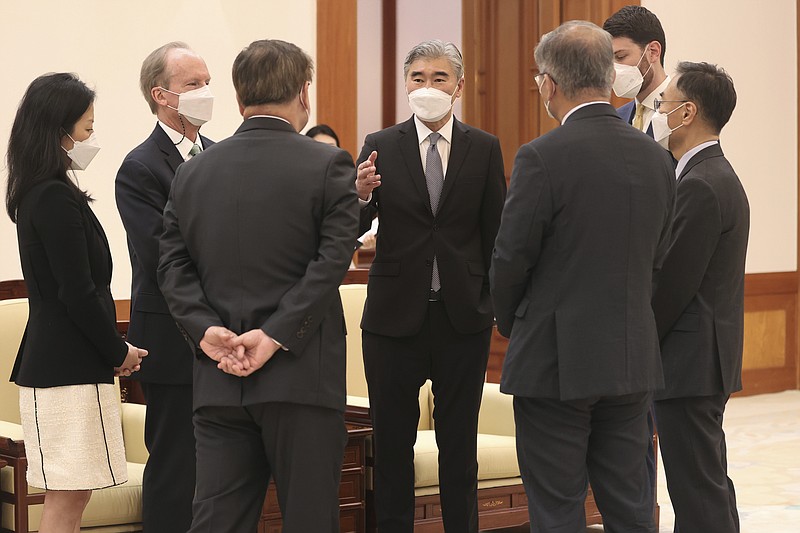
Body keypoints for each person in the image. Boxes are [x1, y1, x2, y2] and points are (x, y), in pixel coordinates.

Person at [157, 39, 358, 533]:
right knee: (310, 520)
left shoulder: (192, 172)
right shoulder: (329, 165)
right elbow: (331, 262)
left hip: (219, 378)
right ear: (303, 93)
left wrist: (206, 332)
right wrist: (273, 336)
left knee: (217, 522)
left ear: (238, 95)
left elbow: (171, 264)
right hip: (301, 380)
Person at [490, 21, 675, 532]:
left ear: (548, 83)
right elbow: (658, 257)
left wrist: (512, 322)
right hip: (631, 355)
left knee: (557, 508)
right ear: (610, 77)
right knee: (631, 507)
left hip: (555, 362)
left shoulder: (541, 157)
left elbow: (510, 259)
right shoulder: (658, 159)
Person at [355, 39, 506, 532]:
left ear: (458, 86)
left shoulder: (484, 148)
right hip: (393, 318)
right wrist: (358, 196)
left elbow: (495, 232)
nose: (427, 87)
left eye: (439, 78)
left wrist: (493, 303)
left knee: (458, 448)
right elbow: (352, 224)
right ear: (405, 85)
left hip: (462, 317)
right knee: (393, 447)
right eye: (418, 78)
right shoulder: (380, 143)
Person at [5, 73, 147, 533]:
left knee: (76, 493)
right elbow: (77, 291)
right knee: (66, 498)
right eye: (86, 128)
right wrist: (117, 350)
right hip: (62, 369)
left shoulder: (50, 192)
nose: (90, 138)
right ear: (58, 130)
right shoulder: (50, 196)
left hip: (72, 365)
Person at [114, 41, 213, 533]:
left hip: (229, 338)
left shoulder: (221, 156)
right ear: (162, 95)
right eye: (193, 84)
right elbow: (162, 254)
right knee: (176, 465)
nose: (205, 92)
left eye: (207, 82)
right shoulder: (140, 167)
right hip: (172, 339)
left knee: (222, 471)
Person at [651, 62, 748, 533]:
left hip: (688, 363)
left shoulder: (703, 184)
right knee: (707, 482)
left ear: (686, 113)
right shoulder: (710, 174)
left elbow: (672, 284)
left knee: (696, 491)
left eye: (662, 104)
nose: (656, 111)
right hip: (700, 359)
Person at [603, 5, 670, 143]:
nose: (613, 70)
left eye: (620, 57)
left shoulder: (686, 114)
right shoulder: (616, 119)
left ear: (653, 52)